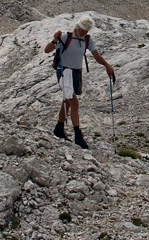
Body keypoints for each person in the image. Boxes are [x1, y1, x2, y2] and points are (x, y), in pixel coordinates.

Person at [44, 15, 115, 149]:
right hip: (64, 72)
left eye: (86, 31)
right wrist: (54, 40)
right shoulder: (65, 37)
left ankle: (59, 129)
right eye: (83, 30)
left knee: (67, 101)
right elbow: (47, 50)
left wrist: (107, 65)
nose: (84, 32)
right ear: (78, 27)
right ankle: (78, 136)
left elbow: (96, 56)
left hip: (76, 72)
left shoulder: (87, 40)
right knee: (74, 102)